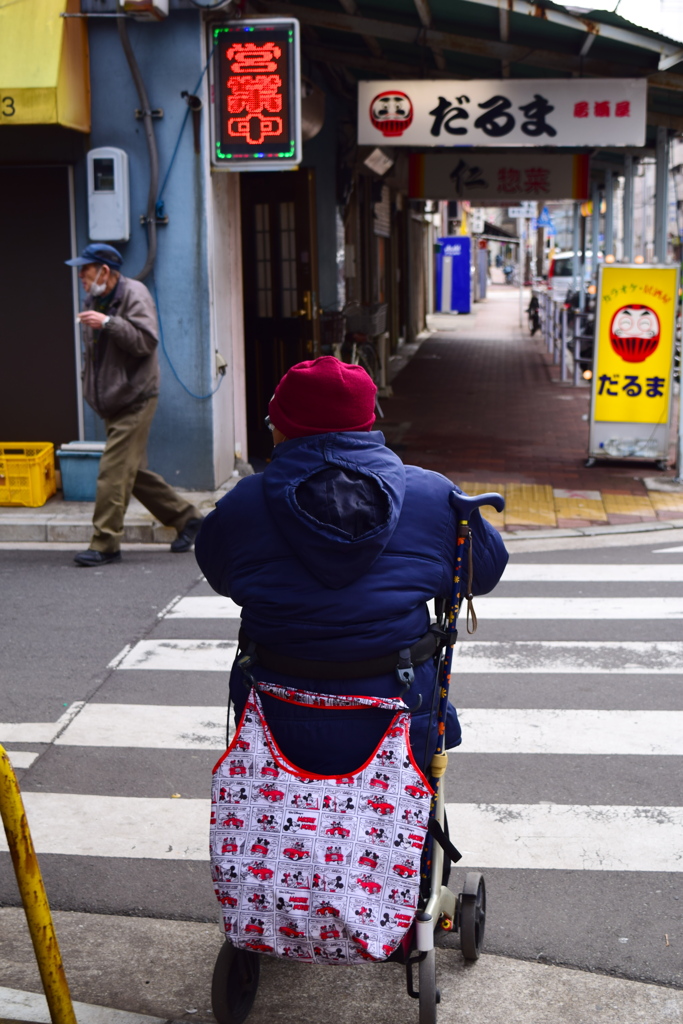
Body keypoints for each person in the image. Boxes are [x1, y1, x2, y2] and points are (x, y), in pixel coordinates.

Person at [195, 356, 508, 775]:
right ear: (367, 424)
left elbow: (222, 577)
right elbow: (483, 574)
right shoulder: (435, 497)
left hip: (273, 717)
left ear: (283, 427)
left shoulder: (241, 506)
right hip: (401, 716)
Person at [65, 243, 203, 567]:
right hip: (113, 400)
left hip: (136, 397)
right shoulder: (93, 300)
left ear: (104, 271)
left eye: (85, 271)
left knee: (113, 470)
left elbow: (146, 342)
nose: (81, 277)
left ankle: (105, 543)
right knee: (132, 471)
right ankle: (188, 519)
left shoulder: (134, 294)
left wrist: (109, 323)